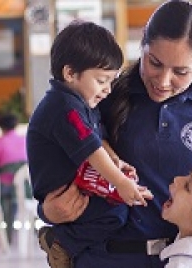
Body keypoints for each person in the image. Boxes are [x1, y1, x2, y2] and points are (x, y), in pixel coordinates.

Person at [39, 1, 192, 267]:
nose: (163, 81)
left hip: (188, 261)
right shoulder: (101, 98)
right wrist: (48, 211)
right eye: (154, 63)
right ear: (142, 44)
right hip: (103, 258)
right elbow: (51, 166)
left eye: (180, 71)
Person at [26, 20, 153, 268]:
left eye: (111, 82)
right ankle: (60, 243)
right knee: (113, 214)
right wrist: (121, 182)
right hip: (62, 190)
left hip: (81, 182)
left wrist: (117, 162)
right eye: (101, 80)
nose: (107, 90)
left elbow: (99, 141)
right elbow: (91, 150)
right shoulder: (64, 107)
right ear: (70, 73)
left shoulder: (83, 103)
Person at [0, 113, 27, 243]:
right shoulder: (26, 141)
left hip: (6, 188)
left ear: (1, 128)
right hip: (28, 189)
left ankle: (7, 235)